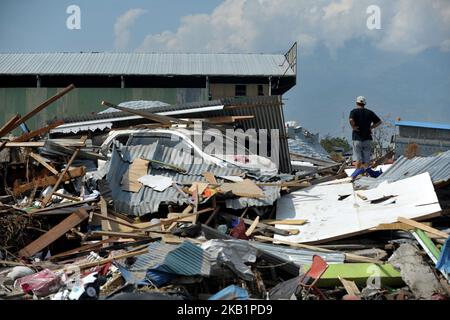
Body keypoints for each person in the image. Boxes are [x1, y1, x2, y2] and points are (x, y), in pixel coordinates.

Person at [349, 96, 382, 169]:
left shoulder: (353, 111)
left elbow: (351, 120)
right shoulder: (370, 112)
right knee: (367, 159)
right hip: (367, 138)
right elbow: (379, 122)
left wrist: (353, 127)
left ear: (356, 103)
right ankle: (366, 174)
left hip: (357, 138)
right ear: (364, 104)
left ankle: (357, 174)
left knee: (358, 159)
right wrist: (371, 127)